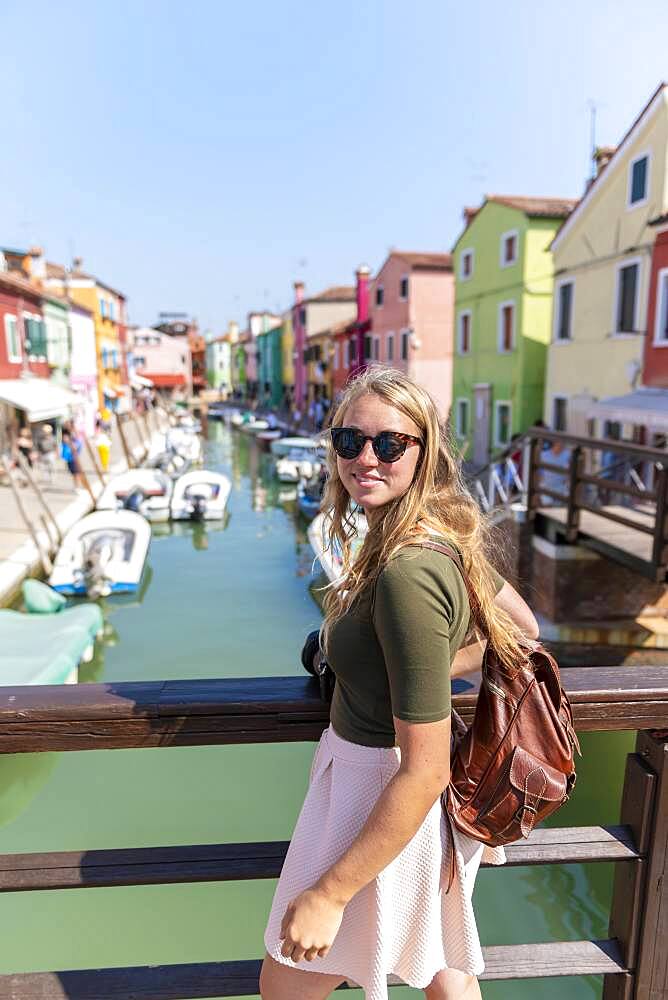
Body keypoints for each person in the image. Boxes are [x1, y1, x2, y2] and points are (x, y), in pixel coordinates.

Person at [261, 367, 539, 1000]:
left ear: (425, 451)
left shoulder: (408, 571)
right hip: (401, 800)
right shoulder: (431, 536)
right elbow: (522, 629)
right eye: (349, 440)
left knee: (286, 984)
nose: (366, 457)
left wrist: (330, 894)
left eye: (389, 443)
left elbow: (426, 769)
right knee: (441, 971)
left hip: (381, 792)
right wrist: (418, 669)